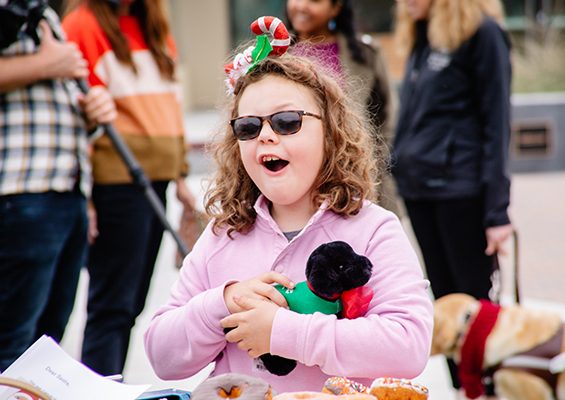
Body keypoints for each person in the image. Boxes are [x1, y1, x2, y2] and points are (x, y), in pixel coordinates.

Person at [144, 35, 433, 392]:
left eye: (286, 121)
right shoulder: (222, 235)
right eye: (248, 127)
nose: (265, 135)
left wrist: (282, 332)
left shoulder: (374, 229)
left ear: (330, 133)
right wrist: (223, 302)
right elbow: (161, 355)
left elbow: (408, 346)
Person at [62, 0, 195, 376]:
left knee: (132, 304)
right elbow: (77, 116)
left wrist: (181, 174)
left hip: (158, 178)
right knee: (113, 306)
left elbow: (172, 103)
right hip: (115, 182)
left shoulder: (153, 27)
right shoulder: (82, 24)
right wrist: (84, 196)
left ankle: (108, 384)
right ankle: (98, 387)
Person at [391, 0, 513, 397]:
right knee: (442, 304)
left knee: (473, 308)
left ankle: (488, 388)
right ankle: (463, 388)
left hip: (463, 192)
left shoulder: (483, 34)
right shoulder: (423, 36)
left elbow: (497, 125)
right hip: (419, 191)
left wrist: (497, 212)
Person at [0, 5, 116, 371]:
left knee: (44, 347)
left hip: (66, 191)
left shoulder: (43, 12)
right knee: (12, 345)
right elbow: (51, 66)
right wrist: (45, 65)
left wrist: (91, 112)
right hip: (21, 191)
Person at [286, 0, 405, 219]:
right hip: (293, 186)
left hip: (356, 184)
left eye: (314, 0)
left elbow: (388, 116)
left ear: (336, 7)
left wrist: (373, 162)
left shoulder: (365, 54)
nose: (301, 5)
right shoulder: (275, 55)